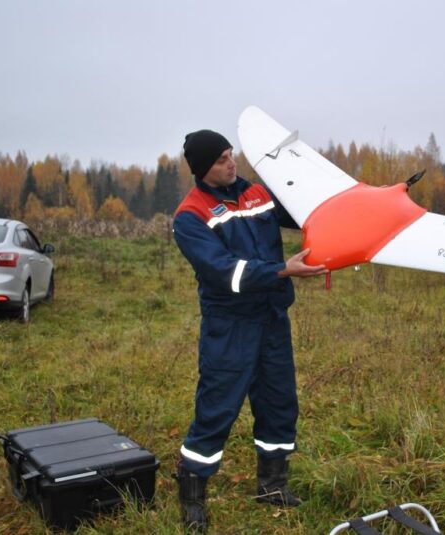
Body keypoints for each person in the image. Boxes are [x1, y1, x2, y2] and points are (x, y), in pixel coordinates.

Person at [172, 129, 327, 532]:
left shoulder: (257, 194)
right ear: (204, 168)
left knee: (278, 400)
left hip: (272, 318)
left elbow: (300, 215)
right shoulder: (189, 216)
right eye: (222, 159)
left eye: (231, 154)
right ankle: (192, 497)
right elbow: (225, 272)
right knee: (217, 408)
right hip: (230, 326)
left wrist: (331, 205)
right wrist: (282, 269)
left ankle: (272, 487)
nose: (231, 162)